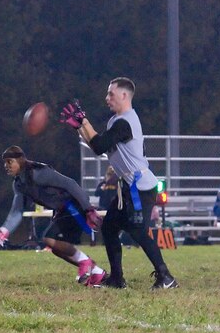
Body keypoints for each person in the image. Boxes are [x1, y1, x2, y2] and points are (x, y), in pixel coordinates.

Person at [62, 77, 178, 289]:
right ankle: (117, 279)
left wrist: (84, 122)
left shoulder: (125, 122)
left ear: (124, 95)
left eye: (111, 94)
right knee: (109, 228)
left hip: (140, 187)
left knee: (138, 232)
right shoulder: (117, 121)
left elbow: (98, 145)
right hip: (129, 186)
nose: (107, 98)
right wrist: (81, 127)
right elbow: (99, 147)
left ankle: (166, 277)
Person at [0, 146, 107, 286]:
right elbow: (17, 210)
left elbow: (70, 184)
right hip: (63, 209)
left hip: (74, 205)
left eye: (9, 162)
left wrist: (88, 209)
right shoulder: (19, 184)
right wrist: (5, 229)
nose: (6, 166)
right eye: (5, 162)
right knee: (56, 249)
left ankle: (85, 263)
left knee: (49, 239)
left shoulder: (38, 173)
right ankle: (97, 272)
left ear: (21, 160)